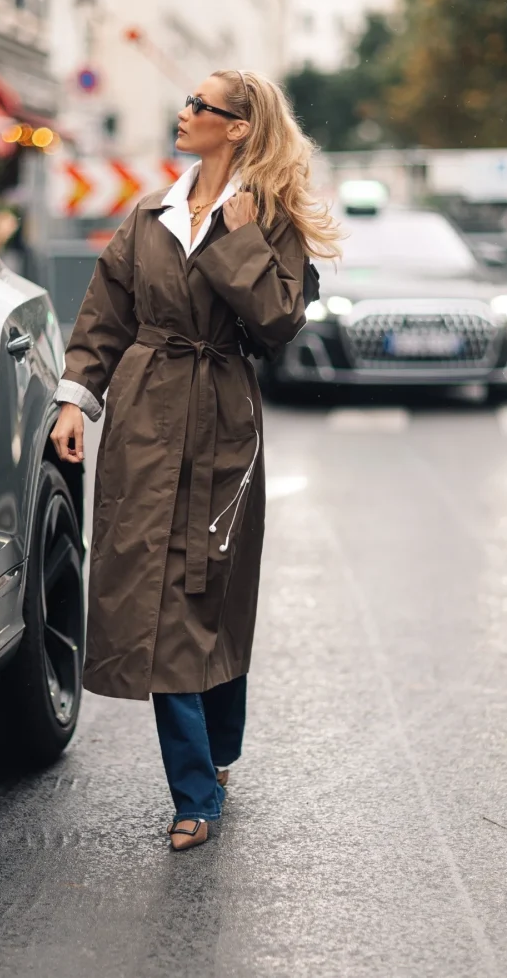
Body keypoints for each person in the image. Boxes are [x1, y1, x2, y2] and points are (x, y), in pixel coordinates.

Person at [50, 69, 340, 850]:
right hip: (145, 417)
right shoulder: (152, 212)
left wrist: (242, 239)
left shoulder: (267, 216)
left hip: (221, 417)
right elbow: (105, 311)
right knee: (157, 591)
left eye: (199, 106)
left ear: (237, 127)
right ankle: (195, 788)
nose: (183, 114)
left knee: (208, 587)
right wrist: (77, 398)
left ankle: (217, 754)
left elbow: (279, 321)